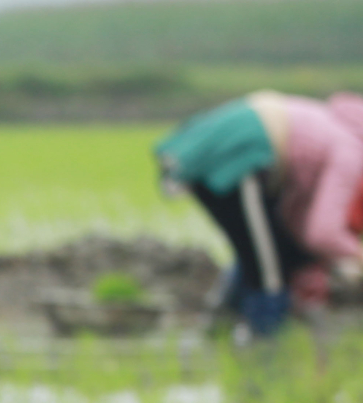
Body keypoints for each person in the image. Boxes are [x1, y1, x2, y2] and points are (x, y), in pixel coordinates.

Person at [155, 88, 363, 337]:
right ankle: (263, 353)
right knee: (270, 273)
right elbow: (322, 232)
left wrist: (310, 262)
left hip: (239, 147)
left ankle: (221, 336)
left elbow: (296, 219)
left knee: (260, 254)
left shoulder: (332, 128)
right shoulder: (351, 151)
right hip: (241, 151)